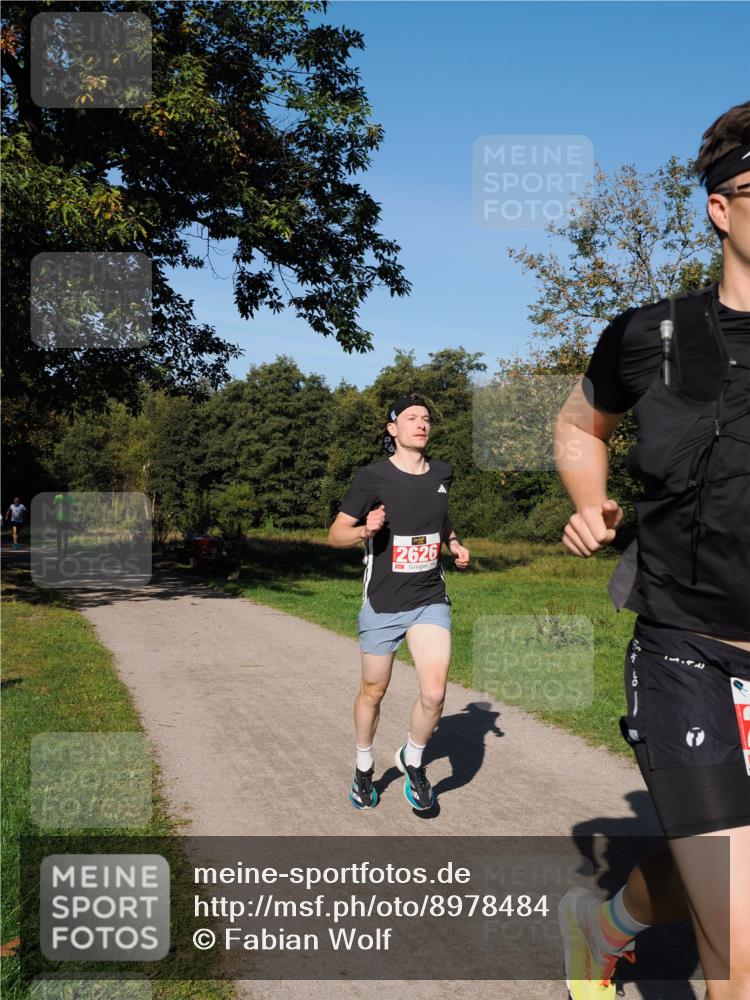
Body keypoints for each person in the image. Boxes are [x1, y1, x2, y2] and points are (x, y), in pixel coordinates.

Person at [555, 102, 750, 1000]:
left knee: (714, 874)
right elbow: (578, 423)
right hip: (687, 650)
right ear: (721, 207)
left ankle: (601, 927)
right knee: (739, 953)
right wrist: (588, 503)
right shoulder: (651, 335)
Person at [328, 394, 470, 812]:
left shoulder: (442, 472)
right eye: (411, 418)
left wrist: (454, 543)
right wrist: (364, 531)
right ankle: (363, 767)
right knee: (373, 692)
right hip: (384, 602)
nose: (421, 424)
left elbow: (440, 518)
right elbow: (335, 534)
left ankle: (414, 759)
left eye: (425, 418)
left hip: (429, 598)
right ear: (393, 429)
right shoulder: (373, 477)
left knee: (435, 692)